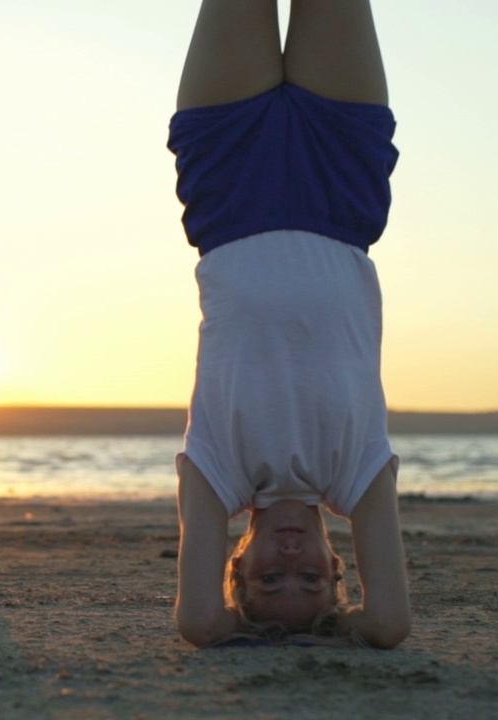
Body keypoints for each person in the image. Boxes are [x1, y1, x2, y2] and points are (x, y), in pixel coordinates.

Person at [168, 0, 411, 647]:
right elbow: (388, 622)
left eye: (267, 583)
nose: (290, 569)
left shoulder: (217, 473)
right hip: (341, 192)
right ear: (340, 569)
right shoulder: (358, 476)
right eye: (313, 582)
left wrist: (242, 631)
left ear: (237, 565)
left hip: (229, 191)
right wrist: (343, 631)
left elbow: (198, 621)